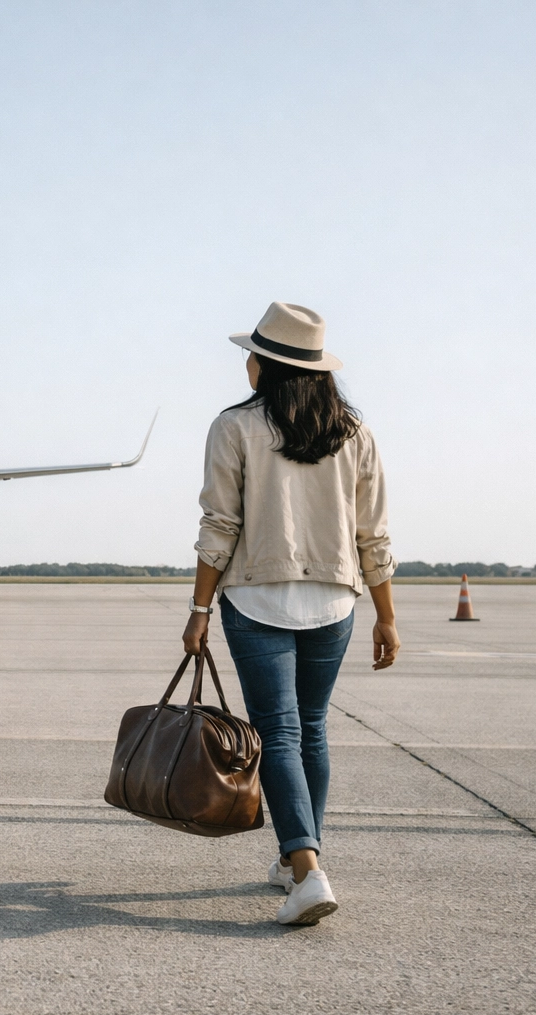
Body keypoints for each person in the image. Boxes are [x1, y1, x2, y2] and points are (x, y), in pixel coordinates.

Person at [182, 301, 400, 926]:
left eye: (251, 355)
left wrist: (199, 608)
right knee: (311, 730)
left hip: (256, 600)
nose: (245, 363)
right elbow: (374, 535)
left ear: (269, 367)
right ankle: (296, 859)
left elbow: (219, 525)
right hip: (336, 601)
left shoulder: (235, 426)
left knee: (278, 733)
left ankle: (305, 870)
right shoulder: (354, 431)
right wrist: (386, 616)